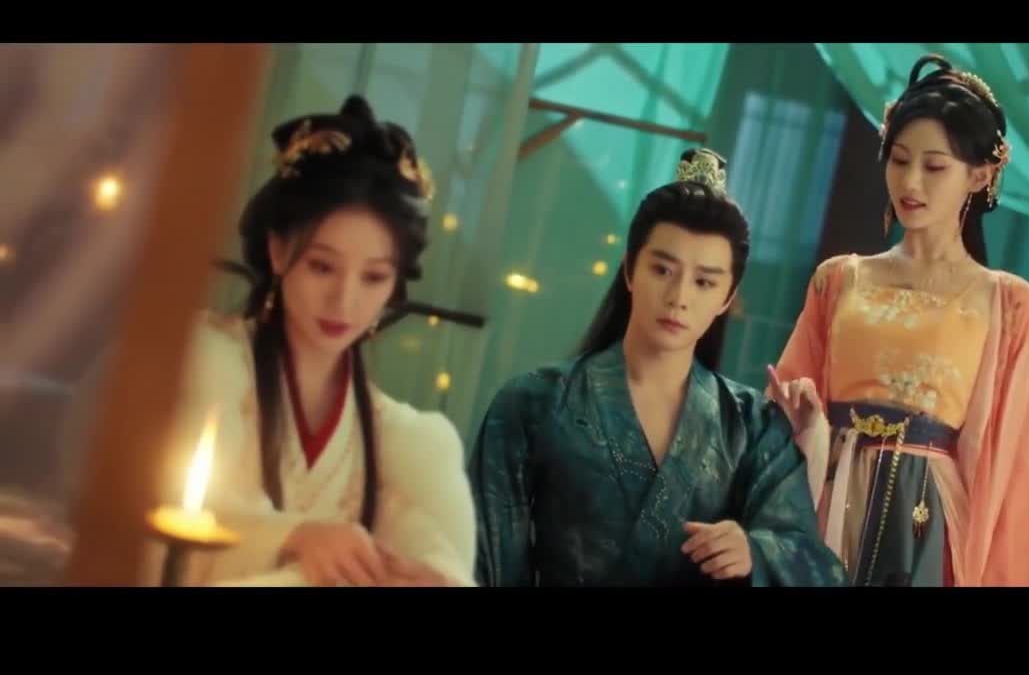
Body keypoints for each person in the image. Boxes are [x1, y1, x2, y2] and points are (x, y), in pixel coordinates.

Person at [468, 148, 847, 587]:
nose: (679, 297)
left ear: (726, 297)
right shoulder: (534, 403)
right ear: (630, 270)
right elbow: (485, 561)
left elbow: (816, 568)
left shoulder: (754, 429)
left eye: (704, 281)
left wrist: (755, 553)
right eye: (663, 270)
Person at [167, 95, 476, 587]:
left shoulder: (408, 443)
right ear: (277, 250)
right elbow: (156, 523)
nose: (344, 301)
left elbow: (441, 563)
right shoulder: (202, 363)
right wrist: (295, 536)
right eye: (322, 266)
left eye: (373, 277)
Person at [770, 55, 1029, 587]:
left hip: (926, 513)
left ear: (980, 175)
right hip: (827, 492)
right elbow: (784, 407)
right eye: (898, 160)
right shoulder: (839, 279)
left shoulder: (1005, 300)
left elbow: (1009, 465)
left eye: (934, 167)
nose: (910, 181)